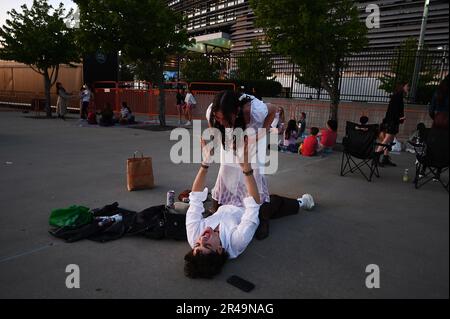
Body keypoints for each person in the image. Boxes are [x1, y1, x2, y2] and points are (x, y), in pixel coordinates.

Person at [184, 139, 315, 279]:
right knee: (273, 202)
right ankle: (301, 203)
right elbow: (253, 204)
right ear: (220, 249)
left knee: (226, 174)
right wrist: (246, 169)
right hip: (247, 209)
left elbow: (195, 198)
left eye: (198, 244)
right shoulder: (237, 241)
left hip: (226, 206)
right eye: (207, 245)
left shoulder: (193, 236)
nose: (202, 238)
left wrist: (205, 163)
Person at [206, 90, 277, 213]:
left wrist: (260, 134)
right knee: (226, 167)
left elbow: (273, 109)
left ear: (236, 112)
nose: (221, 121)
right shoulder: (212, 112)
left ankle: (259, 211)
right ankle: (217, 204)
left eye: (225, 118)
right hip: (231, 133)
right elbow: (213, 126)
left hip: (254, 133)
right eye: (218, 118)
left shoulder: (255, 111)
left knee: (253, 170)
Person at [376, 81, 408, 167]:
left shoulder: (397, 96)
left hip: (392, 122)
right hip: (392, 122)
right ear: (402, 86)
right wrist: (399, 118)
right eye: (407, 86)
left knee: (389, 141)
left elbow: (392, 111)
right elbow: (393, 111)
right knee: (386, 140)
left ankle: (385, 157)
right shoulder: (397, 97)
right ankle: (375, 158)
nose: (408, 88)